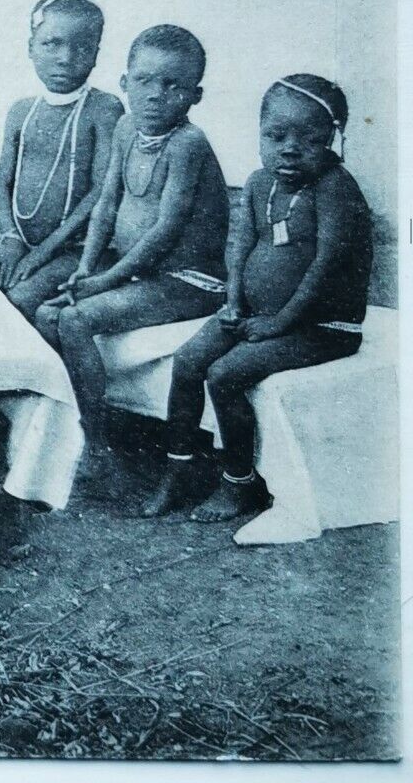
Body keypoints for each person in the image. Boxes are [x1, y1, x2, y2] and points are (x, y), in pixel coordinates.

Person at [144, 75, 372, 522]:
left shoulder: (335, 189)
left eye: (308, 139)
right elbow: (240, 248)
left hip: (322, 327)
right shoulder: (257, 182)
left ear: (334, 138)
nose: (289, 148)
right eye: (275, 135)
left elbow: (325, 270)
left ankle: (239, 483)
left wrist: (279, 323)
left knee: (226, 373)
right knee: (189, 360)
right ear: (259, 133)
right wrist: (232, 302)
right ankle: (180, 470)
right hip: (257, 314)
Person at [36, 25, 229, 497]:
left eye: (173, 85)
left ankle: (99, 449)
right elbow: (105, 204)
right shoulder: (127, 128)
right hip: (136, 271)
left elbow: (165, 231)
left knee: (78, 319)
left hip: (188, 280)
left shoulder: (188, 144)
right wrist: (88, 267)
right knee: (44, 313)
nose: (156, 95)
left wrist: (106, 282)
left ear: (195, 95)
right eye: (144, 81)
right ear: (124, 82)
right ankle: (72, 431)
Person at [0, 0, 125, 321]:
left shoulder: (104, 109)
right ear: (30, 47)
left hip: (78, 250)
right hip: (22, 244)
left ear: (95, 55)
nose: (65, 57)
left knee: (17, 301)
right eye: (52, 44)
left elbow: (102, 192)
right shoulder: (21, 111)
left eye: (81, 47)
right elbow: (2, 183)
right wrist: (10, 238)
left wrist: (43, 253)